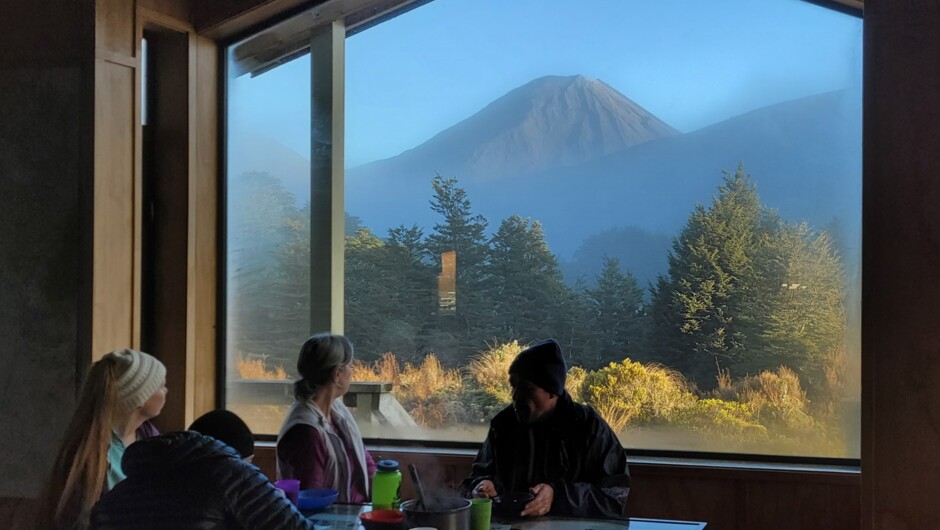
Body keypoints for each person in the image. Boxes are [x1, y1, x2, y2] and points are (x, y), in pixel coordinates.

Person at [460, 339, 630, 519]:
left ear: (553, 391)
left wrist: (557, 496)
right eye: (513, 386)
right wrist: (480, 487)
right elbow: (474, 479)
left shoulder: (589, 428)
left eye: (526, 388)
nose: (516, 397)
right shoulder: (503, 426)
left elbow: (614, 499)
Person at [89, 409, 315, 530]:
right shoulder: (233, 474)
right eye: (249, 462)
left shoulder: (114, 501)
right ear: (234, 457)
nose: (252, 468)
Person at [37, 348, 167, 530]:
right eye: (161, 385)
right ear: (141, 398)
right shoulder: (87, 454)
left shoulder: (151, 438)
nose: (166, 391)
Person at [277, 333, 376, 502]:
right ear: (337, 374)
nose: (352, 373)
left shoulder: (337, 411)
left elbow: (365, 462)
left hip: (354, 514)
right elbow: (311, 499)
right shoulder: (306, 432)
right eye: (350, 366)